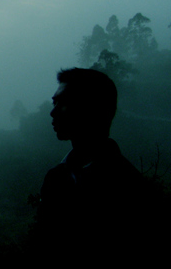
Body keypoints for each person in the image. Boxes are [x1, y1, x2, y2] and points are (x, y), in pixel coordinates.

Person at [32, 68, 148, 265]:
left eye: (63, 102)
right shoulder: (56, 178)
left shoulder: (130, 189)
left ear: (92, 108)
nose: (52, 112)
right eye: (54, 102)